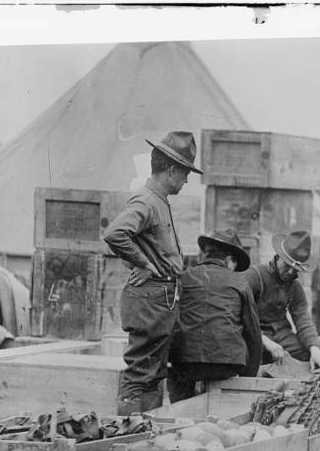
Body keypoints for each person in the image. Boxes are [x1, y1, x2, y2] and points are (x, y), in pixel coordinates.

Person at [103, 131, 200, 415]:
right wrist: (143, 264)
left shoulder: (158, 200)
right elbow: (115, 233)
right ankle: (127, 438)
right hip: (151, 301)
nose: (185, 181)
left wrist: (141, 260)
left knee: (153, 375)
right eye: (185, 174)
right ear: (171, 171)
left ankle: (145, 434)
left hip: (159, 300)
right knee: (140, 377)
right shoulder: (146, 201)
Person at [167, 228, 263, 402]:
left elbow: (169, 320)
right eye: (235, 265)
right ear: (228, 260)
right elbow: (253, 334)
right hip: (226, 365)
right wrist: (248, 377)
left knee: (179, 384)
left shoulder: (183, 278)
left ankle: (179, 411)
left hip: (186, 364)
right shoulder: (240, 283)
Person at [239, 231, 320, 373]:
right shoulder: (254, 276)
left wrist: (315, 350)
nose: (290, 272)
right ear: (278, 257)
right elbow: (237, 315)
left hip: (281, 335)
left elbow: (302, 319)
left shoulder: (294, 286)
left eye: (295, 270)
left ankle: (311, 390)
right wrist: (263, 340)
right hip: (253, 333)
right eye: (287, 265)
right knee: (252, 361)